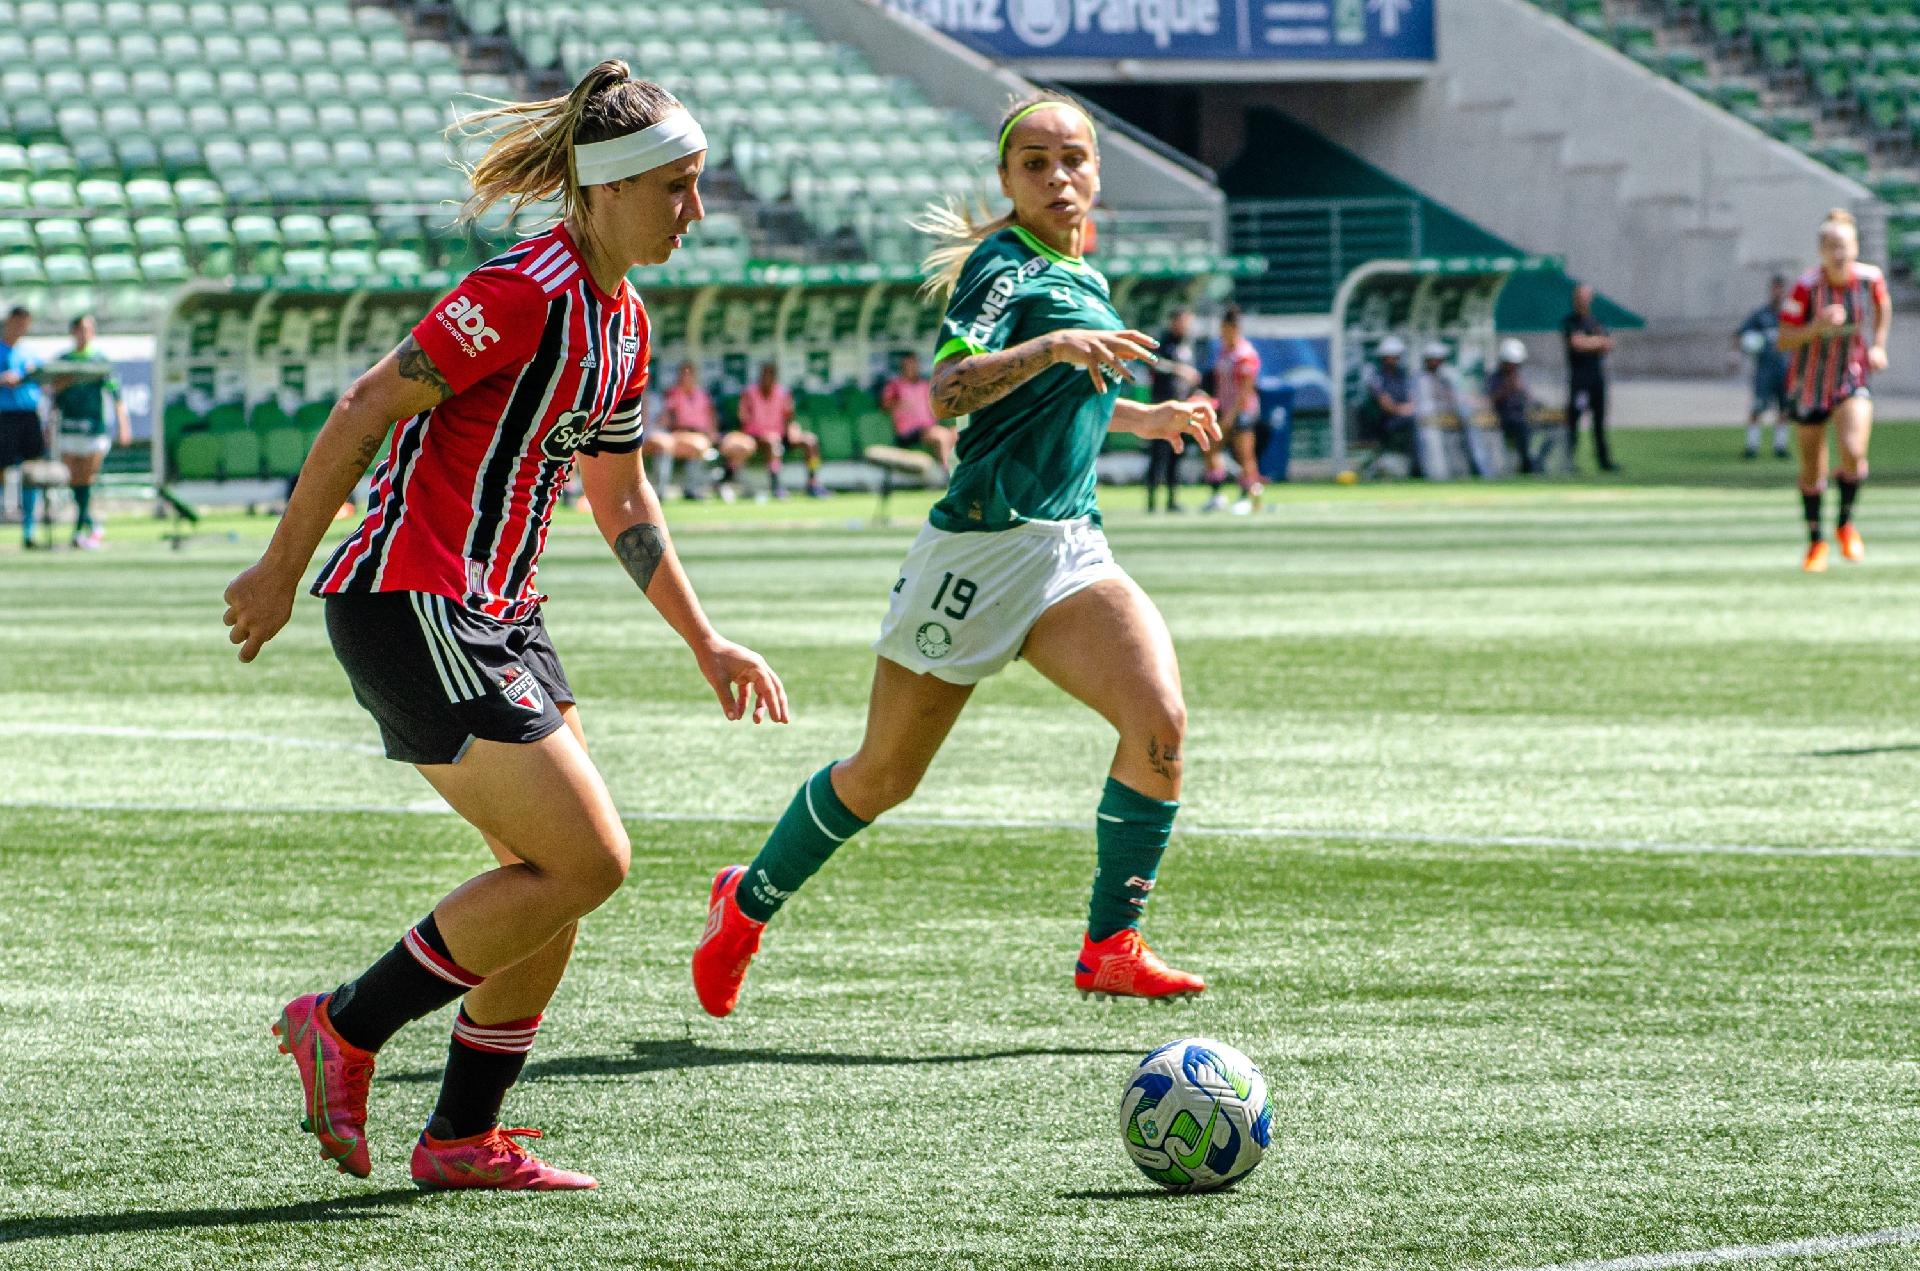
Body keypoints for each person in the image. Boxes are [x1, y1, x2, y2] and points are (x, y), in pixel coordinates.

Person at [221, 61, 788, 1192]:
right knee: (588, 859)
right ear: (609, 189)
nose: (697, 211)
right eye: (677, 187)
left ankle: (461, 1135)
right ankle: (343, 1024)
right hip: (414, 602)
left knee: (551, 882)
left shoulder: (619, 320)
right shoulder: (523, 289)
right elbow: (368, 402)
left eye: (699, 184)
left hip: (501, 617)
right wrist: (281, 566)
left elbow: (622, 497)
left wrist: (705, 638)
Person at [690, 94, 1221, 1018]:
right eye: (1036, 165)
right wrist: (1054, 345)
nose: (1060, 177)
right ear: (1008, 182)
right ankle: (746, 902)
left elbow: (1064, 403)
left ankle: (1110, 945)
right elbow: (948, 389)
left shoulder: (1083, 271)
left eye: (1074, 160)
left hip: (1067, 549)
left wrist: (1146, 417)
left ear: (1098, 171)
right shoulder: (1003, 264)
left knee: (1159, 721)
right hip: (977, 551)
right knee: (884, 776)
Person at [1779, 208, 1890, 572]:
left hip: (1851, 377)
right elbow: (1784, 339)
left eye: (1843, 246)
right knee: (1812, 468)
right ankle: (1815, 542)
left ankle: (1845, 524)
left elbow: (1883, 307)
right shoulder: (1806, 287)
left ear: (1856, 247)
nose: (1838, 253)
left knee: (1854, 450)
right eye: (1830, 247)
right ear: (1820, 251)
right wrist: (1816, 327)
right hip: (1809, 384)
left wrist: (1878, 345)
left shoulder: (1869, 279)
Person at [46, 314, 131, 549]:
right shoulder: (63, 361)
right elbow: (52, 394)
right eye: (82, 328)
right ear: (73, 331)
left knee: (87, 477)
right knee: (74, 479)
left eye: (90, 328)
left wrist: (124, 425)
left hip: (94, 428)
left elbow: (116, 395)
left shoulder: (100, 360)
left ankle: (78, 529)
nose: (86, 332)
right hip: (69, 427)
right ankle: (91, 525)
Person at [719, 360, 825, 499]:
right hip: (756, 438)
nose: (768, 377)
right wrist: (761, 432)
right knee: (772, 441)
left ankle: (813, 483)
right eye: (765, 374)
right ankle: (777, 487)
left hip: (781, 435)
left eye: (771, 374)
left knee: (810, 441)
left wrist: (793, 430)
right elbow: (742, 419)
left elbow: (789, 418)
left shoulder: (783, 393)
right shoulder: (749, 393)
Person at [1144, 306, 1202, 513]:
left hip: (1182, 409)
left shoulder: (1188, 344)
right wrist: (1178, 369)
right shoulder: (1163, 342)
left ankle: (1172, 499)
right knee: (1158, 454)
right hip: (1162, 407)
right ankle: (1151, 501)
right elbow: (1152, 362)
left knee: (1177, 454)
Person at [0, 306, 45, 544]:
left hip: (29, 416)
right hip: (4, 416)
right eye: (18, 322)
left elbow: (46, 381)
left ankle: (29, 529)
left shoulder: (30, 354)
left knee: (31, 472)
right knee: (2, 469)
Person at [1561, 283, 1617, 473]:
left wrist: (1589, 342)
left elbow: (1608, 343)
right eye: (1580, 298)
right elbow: (1576, 344)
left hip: (1596, 378)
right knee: (1574, 420)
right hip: (1579, 379)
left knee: (1599, 421)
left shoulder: (1596, 321)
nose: (1583, 302)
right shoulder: (1570, 322)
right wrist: (1596, 342)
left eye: (1586, 298)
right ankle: (1568, 461)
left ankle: (1604, 460)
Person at [644, 359, 720, 498]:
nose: (686, 377)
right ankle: (661, 491)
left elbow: (711, 418)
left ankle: (692, 489)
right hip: (679, 433)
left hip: (700, 435)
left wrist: (712, 435)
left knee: (700, 446)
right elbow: (667, 418)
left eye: (689, 374)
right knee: (668, 446)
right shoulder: (674, 393)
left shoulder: (702, 395)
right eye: (683, 373)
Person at [1413, 341, 1488, 479]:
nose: (1438, 362)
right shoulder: (1420, 379)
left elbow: (1456, 397)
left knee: (1470, 427)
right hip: (1427, 422)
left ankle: (1480, 469)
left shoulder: (1445, 378)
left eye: (1440, 359)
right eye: (1435, 359)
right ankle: (1436, 475)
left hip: (1448, 420)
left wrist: (1472, 402)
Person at [1216, 306, 1265, 514]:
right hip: (1224, 408)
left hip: (1242, 411)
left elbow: (1245, 390)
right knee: (1213, 449)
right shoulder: (1223, 352)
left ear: (1233, 328)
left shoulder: (1245, 353)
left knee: (1244, 454)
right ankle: (1217, 495)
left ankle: (1249, 499)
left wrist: (1231, 415)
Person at [1737, 276, 1791, 461]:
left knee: (1785, 409)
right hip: (1765, 370)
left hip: (1785, 370)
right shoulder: (1760, 315)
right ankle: (1752, 446)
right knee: (1757, 408)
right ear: (1771, 290)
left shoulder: (1791, 315)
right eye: (1776, 289)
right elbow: (1741, 334)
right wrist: (1737, 353)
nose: (1779, 293)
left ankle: (1780, 446)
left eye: (1781, 289)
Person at [880, 351, 953, 478]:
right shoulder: (895, 385)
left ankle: (964, 472)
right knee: (941, 437)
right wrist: (899, 404)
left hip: (928, 429)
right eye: (908, 365)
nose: (912, 368)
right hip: (908, 432)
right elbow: (885, 405)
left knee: (956, 433)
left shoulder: (924, 385)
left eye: (914, 364)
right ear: (902, 367)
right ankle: (948, 475)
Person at [1358, 336, 1415, 477]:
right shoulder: (1376, 377)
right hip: (1381, 423)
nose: (1396, 359)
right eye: (1393, 356)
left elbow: (1413, 398)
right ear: (1384, 357)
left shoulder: (1402, 376)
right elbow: (1386, 405)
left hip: (1401, 419)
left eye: (1398, 356)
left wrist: (1411, 408)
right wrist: (1403, 410)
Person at [1484, 338, 1537, 476]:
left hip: (1522, 416)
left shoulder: (1521, 377)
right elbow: (1491, 399)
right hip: (1503, 417)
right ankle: (1527, 467)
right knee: (1522, 428)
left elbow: (1529, 398)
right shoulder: (1494, 377)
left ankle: (1534, 463)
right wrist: (1508, 387)